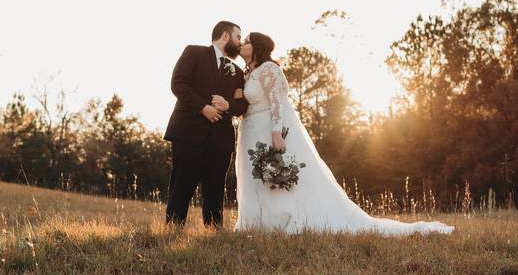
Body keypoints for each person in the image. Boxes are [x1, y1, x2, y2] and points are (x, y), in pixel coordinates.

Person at [234, 32, 455, 236]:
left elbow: (277, 103)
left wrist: (276, 133)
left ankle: (288, 220)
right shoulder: (250, 72)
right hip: (251, 131)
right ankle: (259, 223)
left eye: (246, 41)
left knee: (276, 174)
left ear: (257, 47)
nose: (241, 44)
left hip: (267, 129)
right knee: (259, 178)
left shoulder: (269, 69)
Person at [163, 20, 249, 229]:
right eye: (238, 37)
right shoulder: (194, 53)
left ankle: (213, 231)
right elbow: (178, 83)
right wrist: (203, 107)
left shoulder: (237, 72)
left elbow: (242, 105)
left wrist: (229, 105)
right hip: (188, 133)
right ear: (226, 36)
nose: (240, 43)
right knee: (182, 184)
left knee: (215, 188)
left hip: (219, 139)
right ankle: (173, 229)